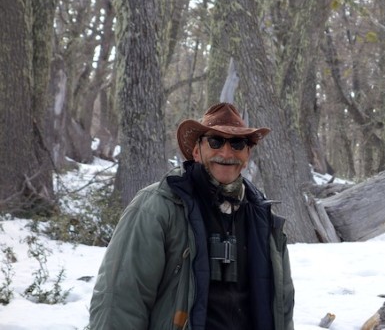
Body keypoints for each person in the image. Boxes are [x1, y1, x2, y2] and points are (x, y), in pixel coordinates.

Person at [89, 102, 295, 330]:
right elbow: (120, 300)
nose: (226, 153)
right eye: (215, 141)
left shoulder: (264, 219)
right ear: (197, 151)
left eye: (237, 144)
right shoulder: (158, 206)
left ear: (247, 155)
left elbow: (282, 307)